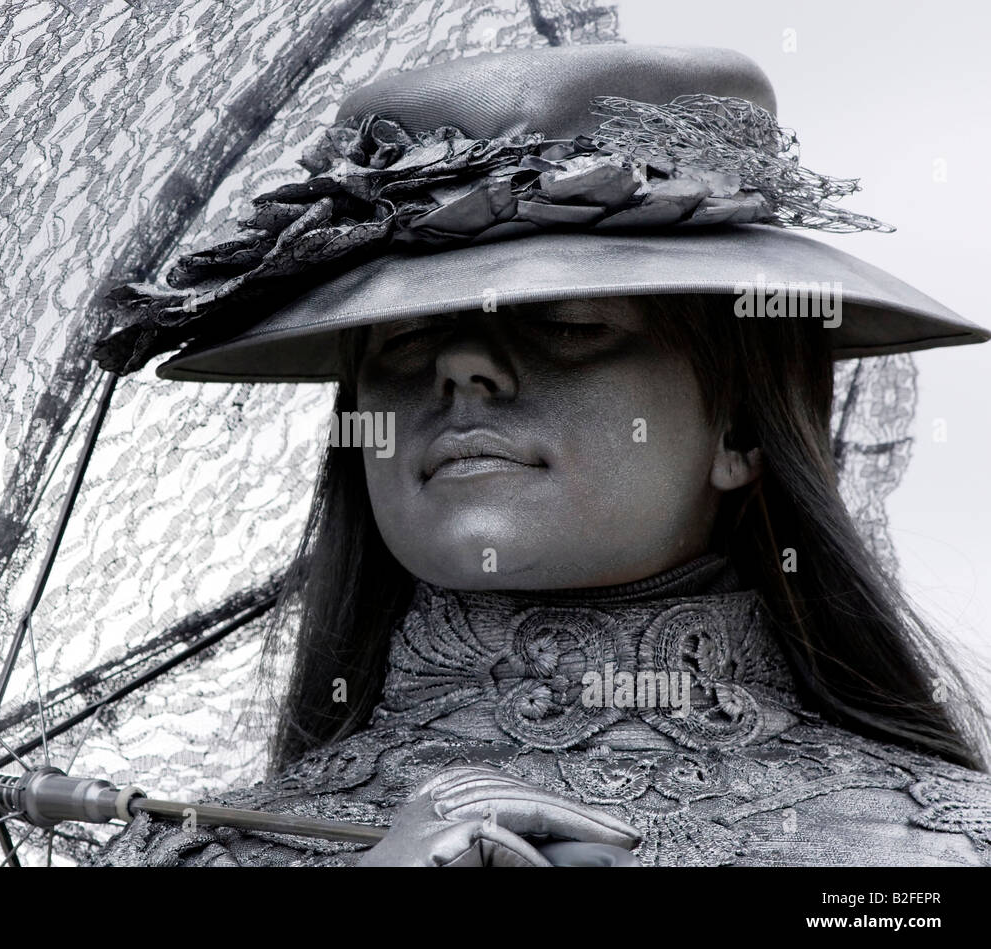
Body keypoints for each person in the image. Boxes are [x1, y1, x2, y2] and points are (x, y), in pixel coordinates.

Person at [92, 43, 991, 866]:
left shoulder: (933, 856)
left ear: (742, 430)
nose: (462, 364)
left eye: (566, 326)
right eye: (401, 341)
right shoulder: (198, 851)